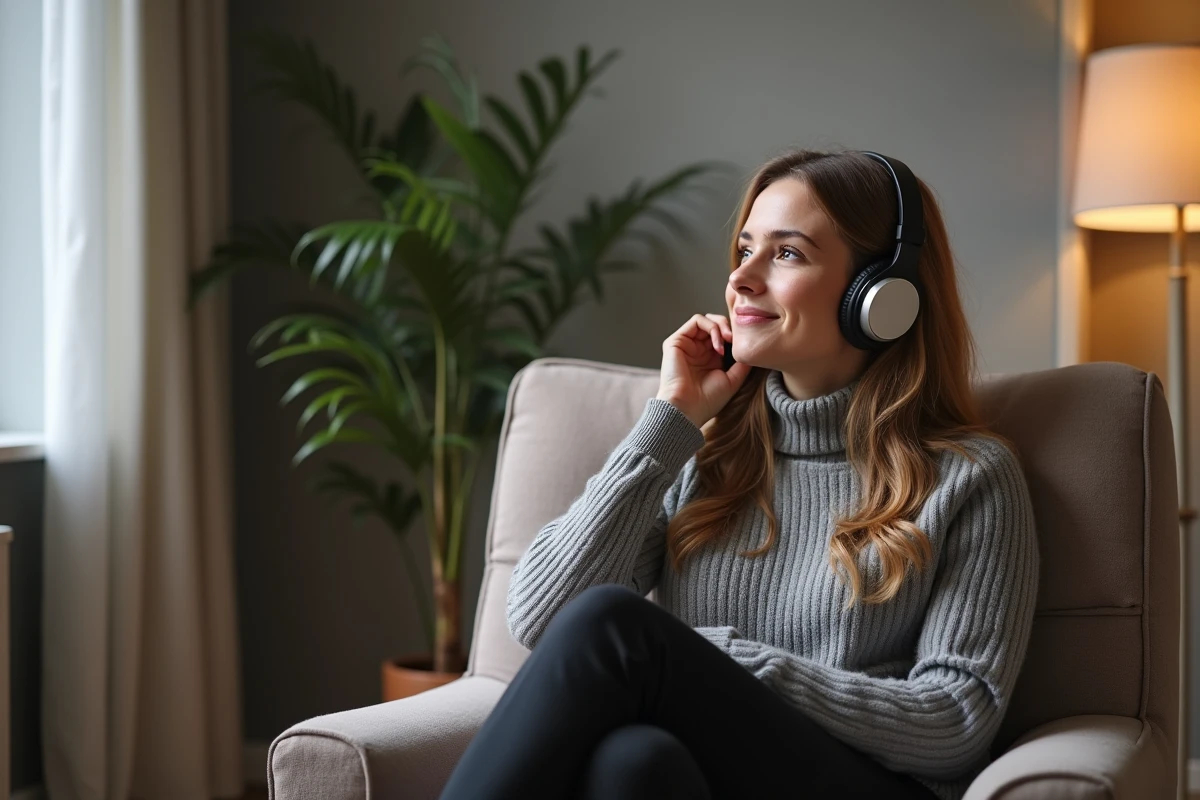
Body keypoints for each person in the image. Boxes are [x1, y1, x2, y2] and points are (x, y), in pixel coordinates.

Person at [438, 148, 1040, 800]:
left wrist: (724, 662)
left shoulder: (971, 477)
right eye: (744, 250)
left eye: (787, 254)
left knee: (619, 627)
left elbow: (956, 719)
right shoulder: (703, 452)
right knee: (632, 763)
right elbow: (541, 618)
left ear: (881, 298)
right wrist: (670, 421)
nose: (742, 280)